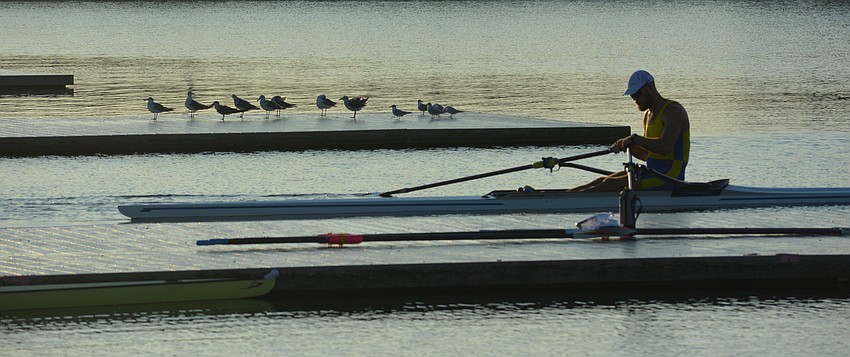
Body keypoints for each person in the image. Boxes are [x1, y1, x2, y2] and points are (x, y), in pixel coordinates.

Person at [569, 70, 690, 192]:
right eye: (632, 95)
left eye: (637, 94)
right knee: (603, 180)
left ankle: (566, 203)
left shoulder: (673, 111)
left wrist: (635, 139)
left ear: (650, 87)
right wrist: (629, 147)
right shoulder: (648, 115)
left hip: (670, 177)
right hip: (652, 172)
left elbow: (665, 147)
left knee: (611, 184)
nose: (635, 99)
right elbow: (647, 156)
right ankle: (563, 197)